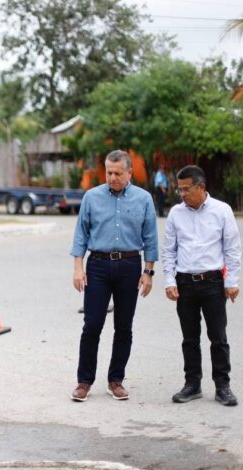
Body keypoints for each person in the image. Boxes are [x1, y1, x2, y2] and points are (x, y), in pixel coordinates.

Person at [70, 150, 158, 402]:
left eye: (118, 173)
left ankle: (115, 380)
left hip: (130, 266)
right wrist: (78, 268)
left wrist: (148, 272)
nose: (112, 177)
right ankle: (84, 381)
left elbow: (150, 237)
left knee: (124, 326)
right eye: (109, 172)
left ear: (129, 173)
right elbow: (81, 234)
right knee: (92, 324)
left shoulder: (144, 199)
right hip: (97, 265)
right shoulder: (91, 197)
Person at [162, 165, 241, 406]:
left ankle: (223, 386)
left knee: (218, 337)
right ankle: (192, 384)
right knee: (189, 338)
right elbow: (169, 251)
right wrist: (169, 280)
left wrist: (231, 281)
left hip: (213, 283)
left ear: (201, 187)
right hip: (184, 283)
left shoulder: (222, 211)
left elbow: (232, 249)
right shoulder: (176, 213)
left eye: (187, 189)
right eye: (180, 190)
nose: (182, 194)